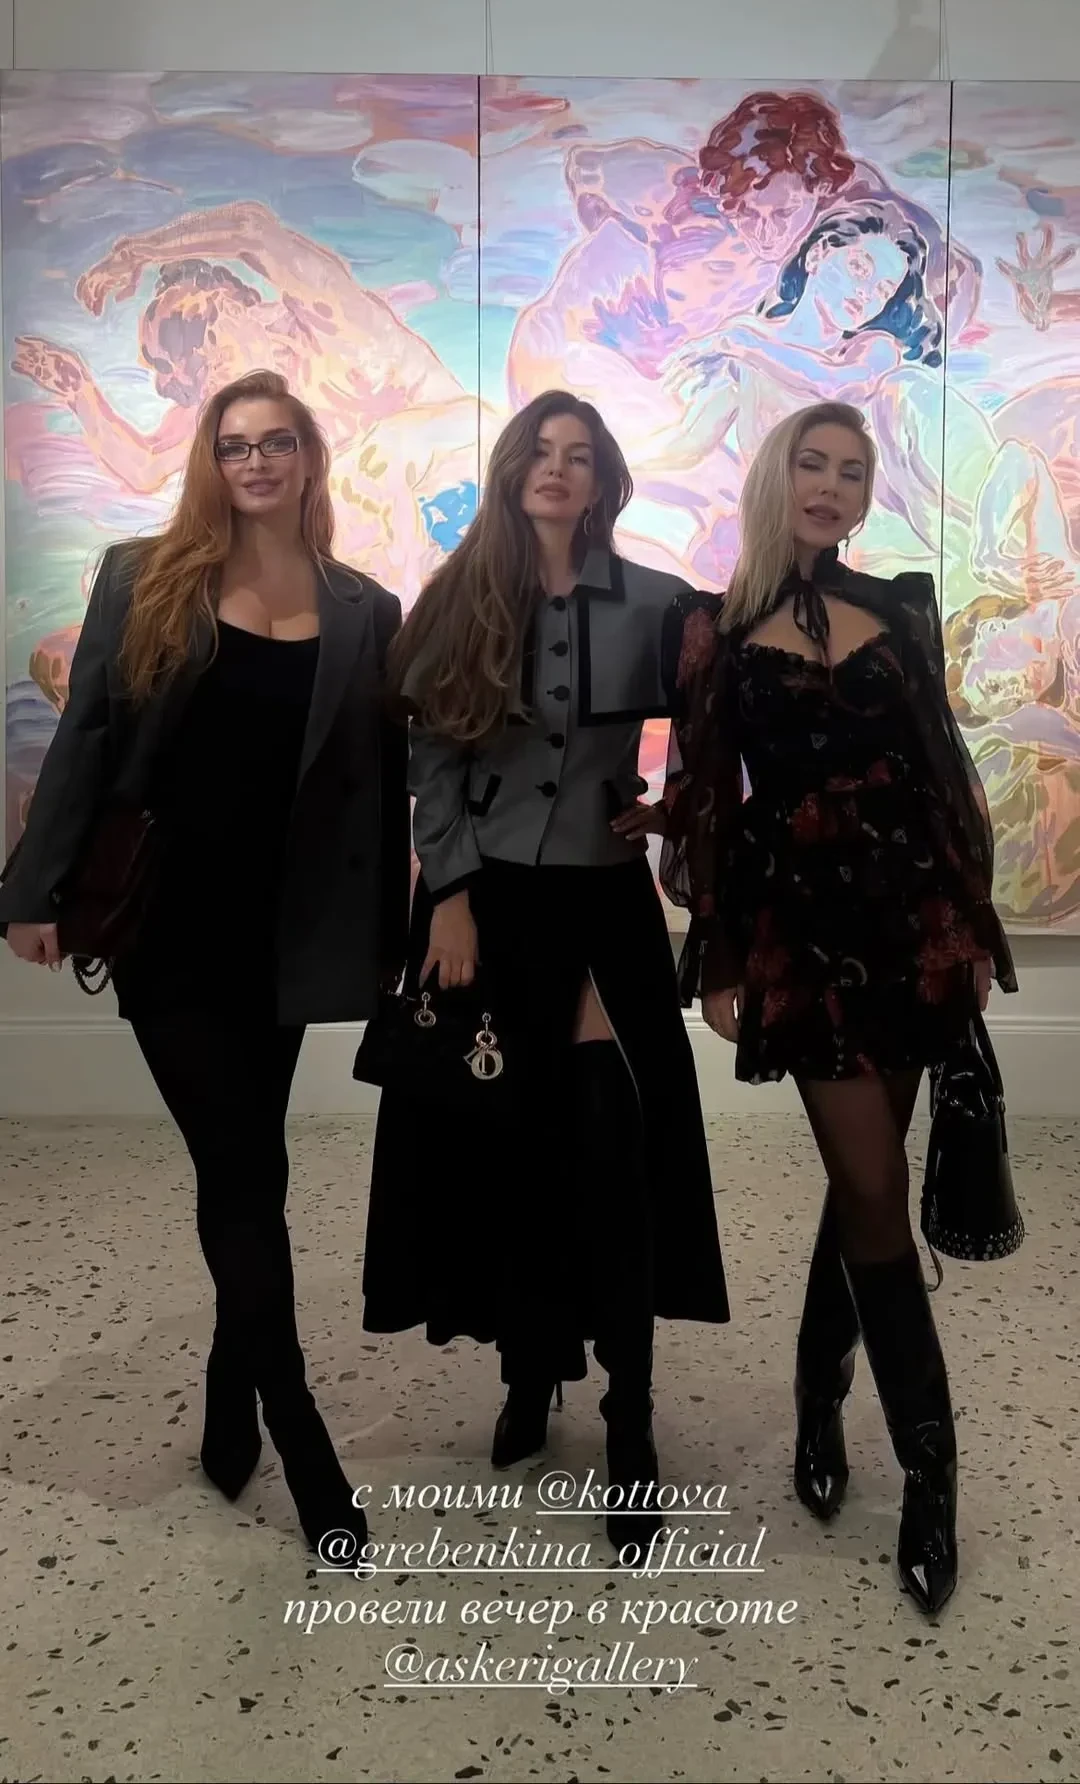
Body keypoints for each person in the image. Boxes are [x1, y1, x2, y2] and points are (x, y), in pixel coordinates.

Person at [0, 369, 409, 1559]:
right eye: (236, 445)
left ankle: (232, 1388)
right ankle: (300, 1434)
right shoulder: (146, 577)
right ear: (211, 461)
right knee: (235, 1166)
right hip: (169, 923)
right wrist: (30, 892)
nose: (257, 461)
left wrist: (396, 922)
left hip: (286, 929)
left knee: (254, 1164)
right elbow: (85, 738)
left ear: (309, 457)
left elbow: (379, 781)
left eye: (277, 442)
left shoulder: (364, 606)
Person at [660, 400, 1017, 1616]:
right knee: (868, 1185)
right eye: (810, 464)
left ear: (867, 495)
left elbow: (942, 774)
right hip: (799, 934)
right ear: (776, 478)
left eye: (850, 472)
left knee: (865, 1182)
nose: (829, 485)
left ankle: (819, 1390)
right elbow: (705, 796)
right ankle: (931, 1470)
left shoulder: (903, 607)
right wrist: (715, 957)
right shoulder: (713, 626)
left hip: (911, 924)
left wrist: (972, 930)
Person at [361, 389, 730, 1563]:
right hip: (486, 911)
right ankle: (529, 1373)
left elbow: (726, 732)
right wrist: (449, 894)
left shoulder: (663, 605)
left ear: (604, 479)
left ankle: (631, 1412)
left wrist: (673, 811)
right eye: (540, 451)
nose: (557, 469)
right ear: (513, 469)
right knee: (501, 1153)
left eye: (579, 455)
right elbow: (427, 756)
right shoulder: (459, 596)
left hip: (605, 910)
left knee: (616, 1157)